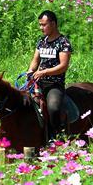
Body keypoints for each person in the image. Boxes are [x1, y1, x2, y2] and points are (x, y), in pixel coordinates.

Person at [26, 10, 73, 143]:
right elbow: (35, 60)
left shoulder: (63, 42)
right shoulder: (41, 41)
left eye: (44, 25)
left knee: (53, 107)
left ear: (53, 24)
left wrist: (44, 72)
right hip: (38, 83)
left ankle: (57, 136)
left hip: (54, 85)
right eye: (40, 25)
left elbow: (63, 66)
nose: (41, 28)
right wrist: (30, 72)